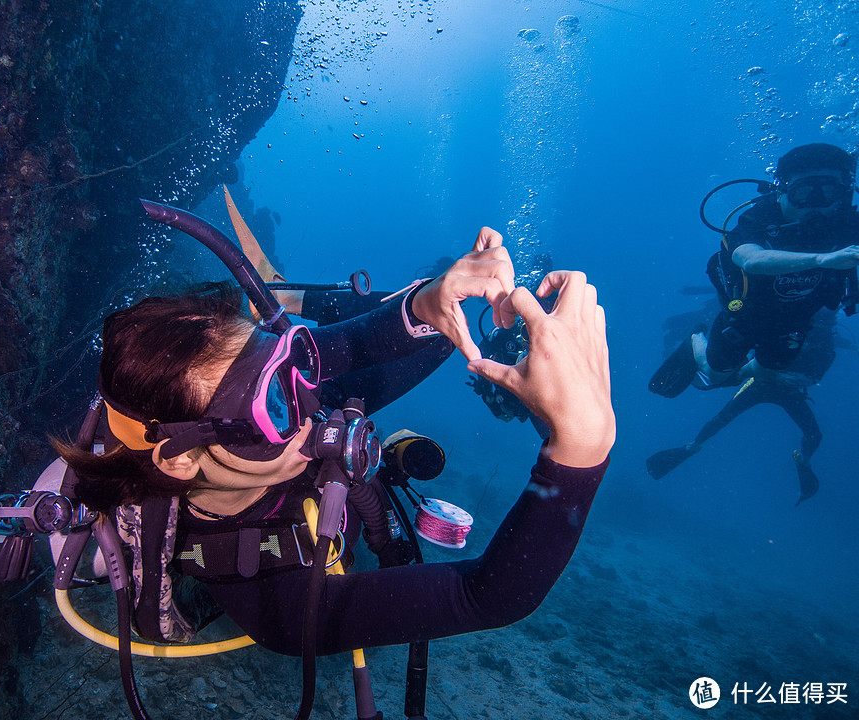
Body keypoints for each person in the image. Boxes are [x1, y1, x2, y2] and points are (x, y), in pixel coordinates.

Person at [55, 227, 614, 656]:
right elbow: (489, 595)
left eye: (288, 366)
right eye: (272, 402)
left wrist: (429, 302)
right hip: (271, 552)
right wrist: (582, 447)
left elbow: (333, 354)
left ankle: (291, 308)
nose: (309, 403)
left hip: (292, 475)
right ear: (180, 460)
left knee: (437, 336)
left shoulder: (290, 418)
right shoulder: (276, 607)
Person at [650, 143, 859, 397]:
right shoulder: (757, 220)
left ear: (845, 194)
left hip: (796, 321)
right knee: (714, 373)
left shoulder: (848, 225)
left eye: (828, 192)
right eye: (802, 194)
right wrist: (822, 259)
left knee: (766, 374)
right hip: (747, 317)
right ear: (781, 192)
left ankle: (735, 376)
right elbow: (752, 260)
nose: (813, 206)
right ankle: (696, 341)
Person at [646, 311, 837, 504]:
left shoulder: (822, 338)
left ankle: (802, 460)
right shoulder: (794, 326)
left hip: (780, 388)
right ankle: (692, 446)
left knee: (814, 435)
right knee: (720, 418)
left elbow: (820, 364)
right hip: (762, 383)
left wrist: (803, 377)